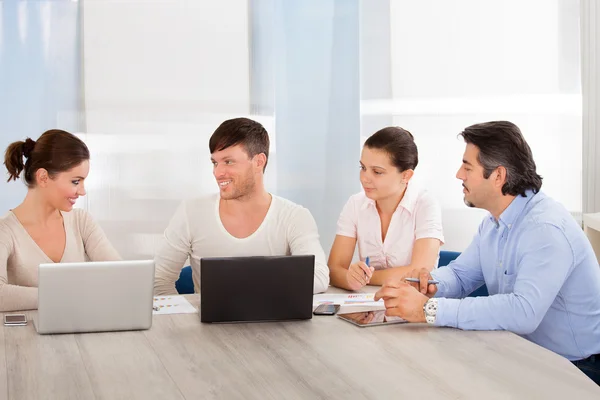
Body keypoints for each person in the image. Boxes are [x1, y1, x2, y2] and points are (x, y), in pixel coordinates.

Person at [375, 121, 600, 384]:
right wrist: (427, 285)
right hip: (523, 355)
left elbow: (523, 312)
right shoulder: (494, 222)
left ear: (498, 176)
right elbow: (460, 276)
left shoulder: (545, 229)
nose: (459, 175)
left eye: (467, 167)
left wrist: (429, 309)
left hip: (575, 369)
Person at [154, 117, 329, 295]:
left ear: (259, 162)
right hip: (206, 323)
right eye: (215, 162)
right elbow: (159, 280)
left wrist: (250, 287)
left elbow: (319, 277)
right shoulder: (191, 212)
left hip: (273, 322)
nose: (218, 173)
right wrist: (187, 318)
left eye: (228, 161)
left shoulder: (294, 217)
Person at [0, 129, 120, 312]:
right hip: (27, 338)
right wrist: (66, 296)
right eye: (75, 181)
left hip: (82, 333)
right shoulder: (5, 231)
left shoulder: (81, 221)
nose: (82, 191)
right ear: (43, 177)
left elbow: (121, 276)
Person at [328, 127, 444, 291]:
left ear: (406, 176)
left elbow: (418, 274)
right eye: (363, 168)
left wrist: (366, 277)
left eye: (377, 172)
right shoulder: (355, 204)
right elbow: (333, 269)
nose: (364, 178)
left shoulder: (425, 204)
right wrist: (350, 278)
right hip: (369, 305)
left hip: (413, 306)